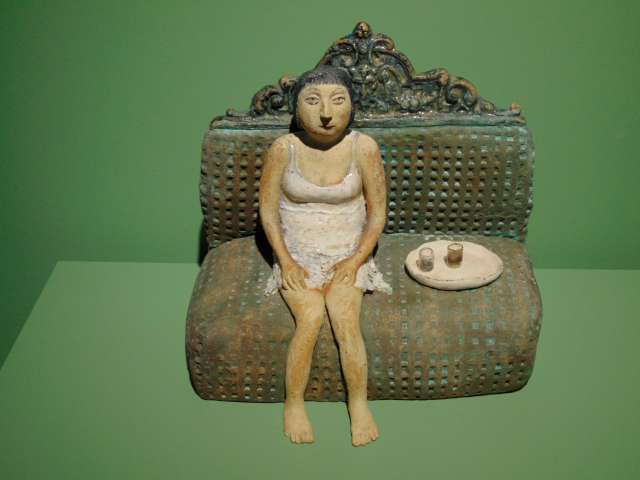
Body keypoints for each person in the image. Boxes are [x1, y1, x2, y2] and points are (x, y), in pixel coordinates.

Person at [259, 65, 392, 447]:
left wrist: (355, 260)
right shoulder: (283, 149)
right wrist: (286, 260)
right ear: (297, 107)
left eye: (337, 100)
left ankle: (359, 403)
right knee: (311, 316)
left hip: (348, 254)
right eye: (313, 101)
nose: (326, 113)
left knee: (346, 320)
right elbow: (268, 212)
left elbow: (377, 215)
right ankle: (294, 403)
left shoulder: (363, 148)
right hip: (297, 254)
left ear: (352, 105)